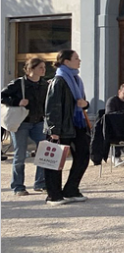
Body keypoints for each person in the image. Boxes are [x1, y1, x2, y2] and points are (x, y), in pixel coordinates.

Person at [43, 50, 90, 205]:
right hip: (61, 127)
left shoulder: (76, 79)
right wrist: (54, 131)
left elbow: (81, 102)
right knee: (55, 161)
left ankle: (71, 190)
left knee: (83, 156)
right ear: (66, 61)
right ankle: (54, 195)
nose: (79, 60)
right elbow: (52, 107)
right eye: (76, 58)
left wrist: (86, 104)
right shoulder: (59, 80)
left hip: (77, 125)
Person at [1, 57, 49, 196]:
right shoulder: (18, 83)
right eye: (41, 67)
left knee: (43, 151)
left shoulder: (44, 84)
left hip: (39, 122)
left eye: (44, 67)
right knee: (20, 155)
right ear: (31, 69)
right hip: (21, 123)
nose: (43, 70)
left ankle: (40, 183)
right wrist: (17, 101)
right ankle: (18, 187)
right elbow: (2, 96)